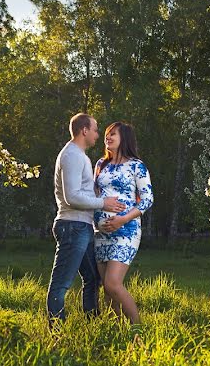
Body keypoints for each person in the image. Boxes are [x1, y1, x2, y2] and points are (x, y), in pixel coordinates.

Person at [46, 113, 126, 325]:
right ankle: (57, 334)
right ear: (84, 130)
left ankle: (92, 324)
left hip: (83, 226)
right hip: (72, 226)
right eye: (95, 129)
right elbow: (72, 196)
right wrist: (104, 203)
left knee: (93, 278)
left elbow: (84, 193)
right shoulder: (71, 155)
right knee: (60, 285)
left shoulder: (80, 155)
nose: (98, 135)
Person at [94, 121, 153, 324]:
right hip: (101, 233)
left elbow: (147, 199)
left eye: (113, 135)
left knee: (113, 284)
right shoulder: (101, 164)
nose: (108, 137)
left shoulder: (137, 165)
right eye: (107, 134)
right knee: (107, 289)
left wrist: (122, 219)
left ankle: (137, 328)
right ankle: (119, 333)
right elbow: (95, 195)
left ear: (124, 139)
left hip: (126, 230)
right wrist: (96, 222)